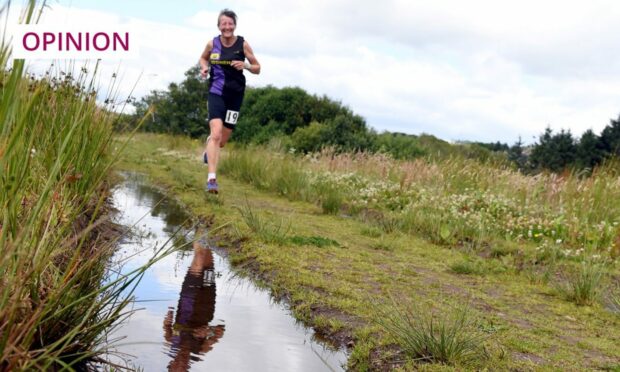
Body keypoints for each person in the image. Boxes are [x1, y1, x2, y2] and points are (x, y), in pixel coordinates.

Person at [198, 9, 261, 194]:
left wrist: (246, 65)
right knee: (216, 133)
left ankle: (208, 151)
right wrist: (204, 68)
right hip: (216, 93)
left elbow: (258, 68)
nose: (227, 27)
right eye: (223, 24)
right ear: (219, 26)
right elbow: (203, 58)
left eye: (230, 23)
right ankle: (211, 180)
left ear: (234, 25)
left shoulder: (242, 44)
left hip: (235, 96)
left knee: (222, 141)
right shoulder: (212, 44)